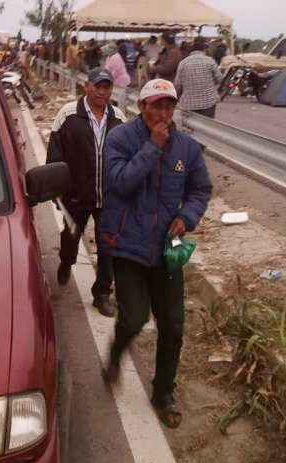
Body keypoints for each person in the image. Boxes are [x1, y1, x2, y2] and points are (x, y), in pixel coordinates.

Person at [99, 78, 213, 428]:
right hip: (127, 245)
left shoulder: (187, 149)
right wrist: (152, 147)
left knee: (173, 325)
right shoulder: (120, 139)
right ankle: (116, 353)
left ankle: (163, 392)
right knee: (133, 318)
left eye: (169, 106)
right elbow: (119, 182)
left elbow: (200, 189)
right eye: (157, 106)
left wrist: (186, 216)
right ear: (142, 106)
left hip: (166, 250)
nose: (163, 114)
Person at [48, 68, 127, 317]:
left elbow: (127, 155)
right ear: (87, 87)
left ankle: (102, 292)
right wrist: (55, 186)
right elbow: (55, 154)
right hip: (76, 194)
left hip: (109, 196)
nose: (102, 92)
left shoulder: (119, 117)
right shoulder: (68, 115)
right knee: (72, 234)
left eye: (107, 87)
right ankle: (66, 260)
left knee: (108, 246)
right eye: (98, 86)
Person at [174, 38, 223, 118]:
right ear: (204, 49)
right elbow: (220, 78)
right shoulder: (210, 61)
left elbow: (177, 84)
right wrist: (211, 84)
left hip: (188, 103)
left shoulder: (183, 63)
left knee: (190, 127)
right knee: (207, 126)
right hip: (208, 101)